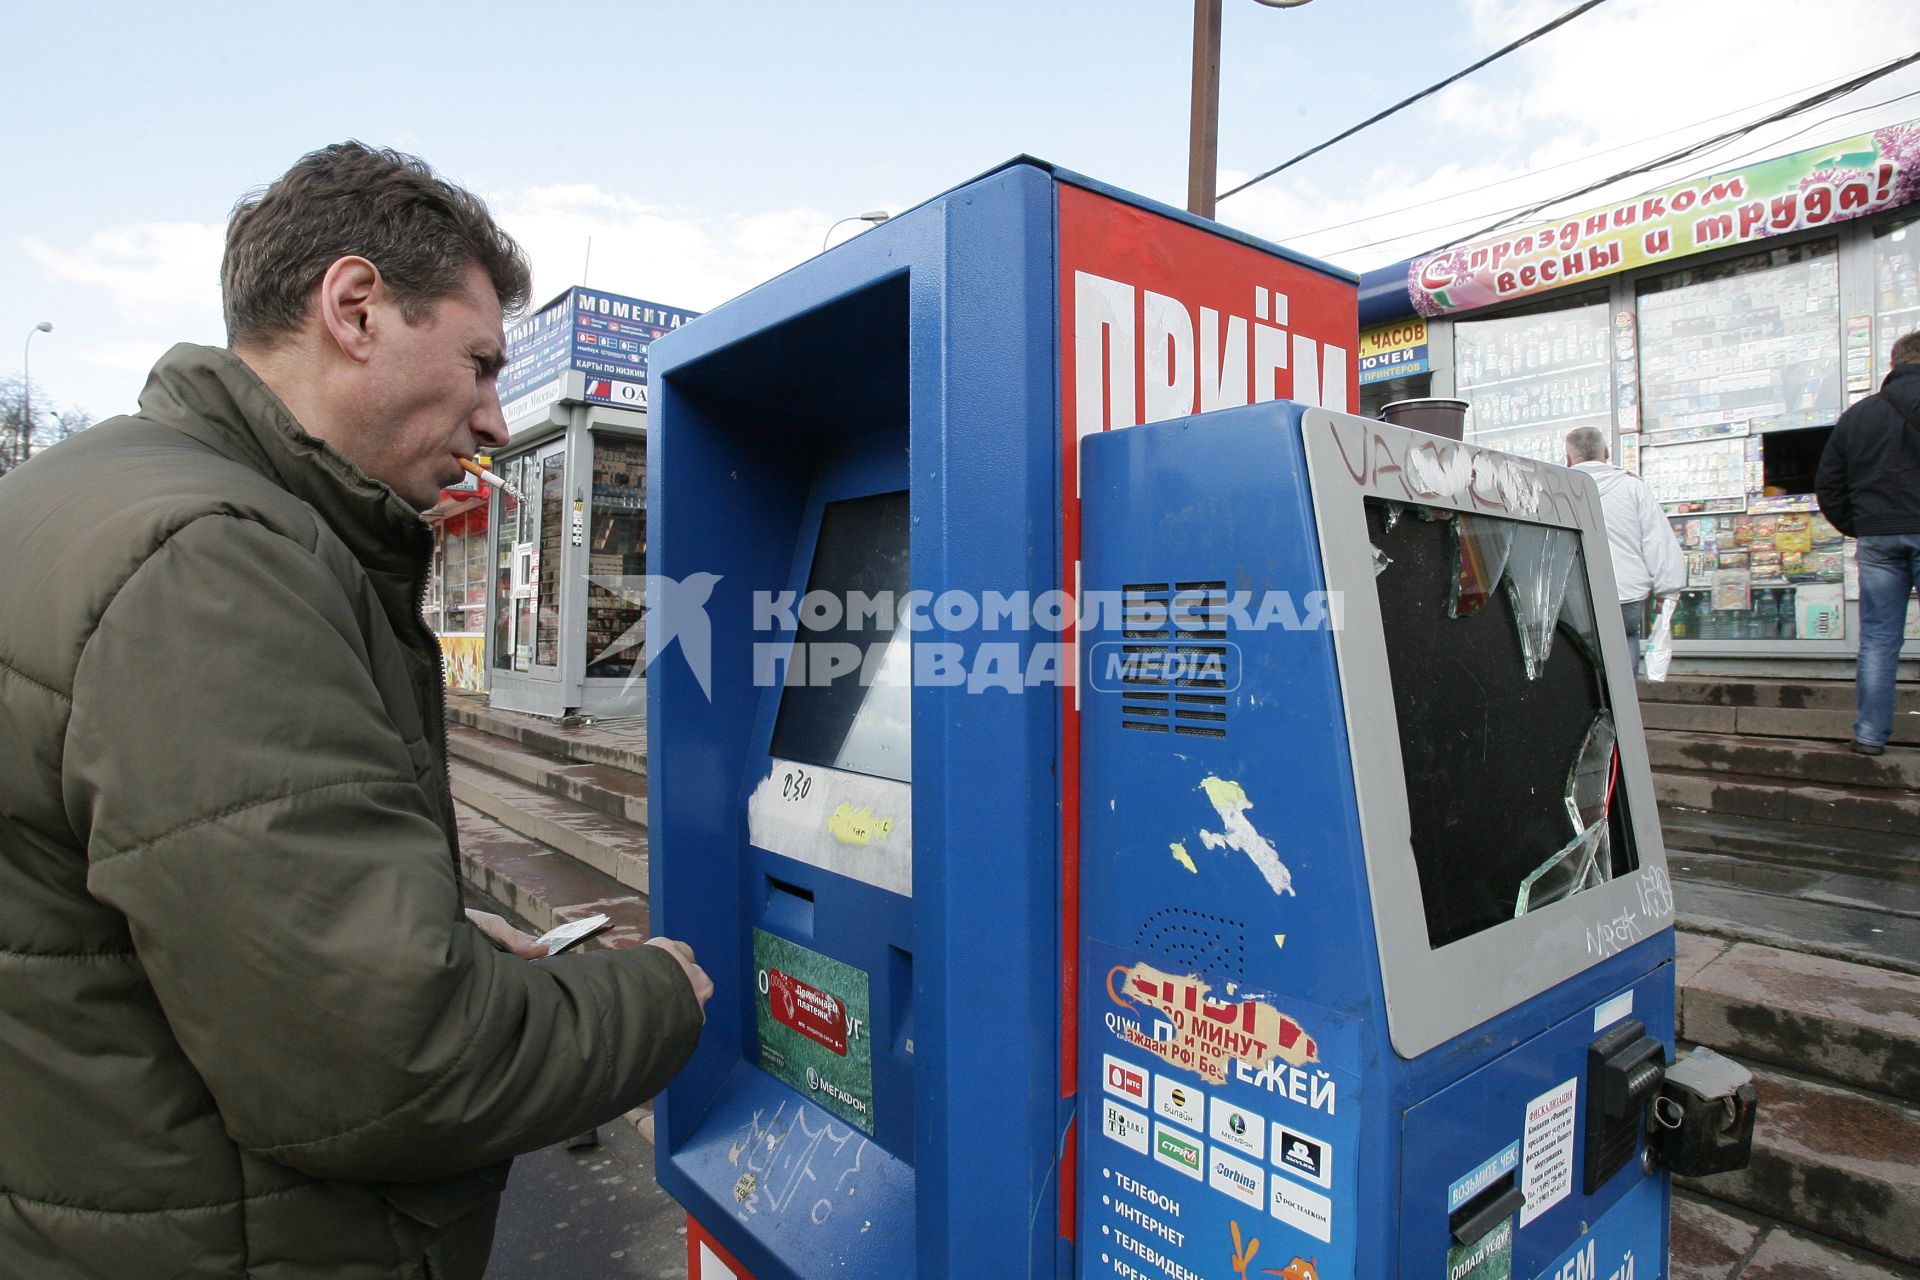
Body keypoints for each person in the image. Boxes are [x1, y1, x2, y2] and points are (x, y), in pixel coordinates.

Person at [0, 143, 711, 1279]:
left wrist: (409, 916)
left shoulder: (83, 497)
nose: (492, 419)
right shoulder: (217, 563)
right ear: (357, 307)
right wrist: (661, 994)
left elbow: (163, 890)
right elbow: (390, 1062)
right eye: (480, 364)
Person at [1816, 329, 1920, 756]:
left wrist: (1859, 526)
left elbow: (1829, 485)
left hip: (1878, 536)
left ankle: (1871, 735)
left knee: (1878, 638)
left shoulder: (1859, 416)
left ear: (1893, 365)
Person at [1564, 425, 1685, 675]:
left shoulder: (1561, 490)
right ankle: (1624, 706)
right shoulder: (1633, 487)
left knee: (1577, 650)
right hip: (1627, 591)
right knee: (1625, 640)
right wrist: (1668, 589)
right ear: (1606, 452)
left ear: (1568, 458)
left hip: (1577, 591)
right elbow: (1657, 540)